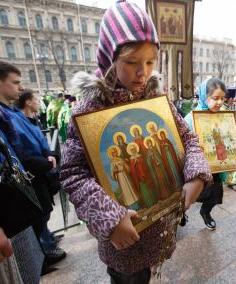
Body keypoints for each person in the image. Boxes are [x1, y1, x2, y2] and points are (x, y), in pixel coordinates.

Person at [60, 1, 211, 282]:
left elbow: (187, 139)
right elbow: (73, 174)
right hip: (123, 237)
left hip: (160, 226)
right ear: (109, 58)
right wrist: (110, 218)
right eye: (131, 62)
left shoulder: (155, 101)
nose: (143, 72)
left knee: (153, 271)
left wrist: (196, 174)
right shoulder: (89, 111)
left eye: (150, 62)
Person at [0, 61, 66, 274]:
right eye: (16, 82)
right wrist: (45, 161)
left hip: (34, 176)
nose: (20, 88)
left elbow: (33, 138)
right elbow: (16, 152)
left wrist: (49, 154)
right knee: (31, 231)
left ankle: (42, 255)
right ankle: (40, 260)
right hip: (22, 183)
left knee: (40, 221)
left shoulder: (8, 112)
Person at [185, 78, 236, 230]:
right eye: (215, 98)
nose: (220, 102)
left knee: (214, 196)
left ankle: (205, 212)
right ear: (203, 96)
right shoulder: (191, 118)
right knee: (190, 195)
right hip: (198, 168)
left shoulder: (224, 114)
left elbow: (228, 135)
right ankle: (182, 213)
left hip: (217, 165)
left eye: (222, 98)